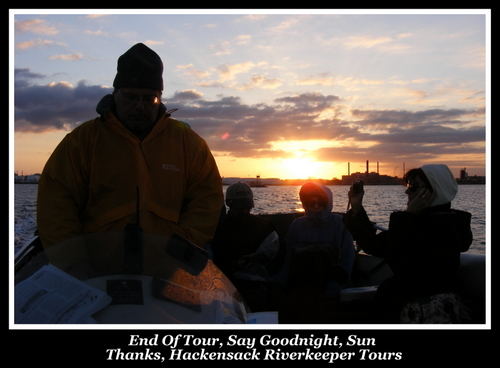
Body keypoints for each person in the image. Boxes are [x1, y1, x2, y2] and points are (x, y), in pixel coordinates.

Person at [37, 43, 223, 250]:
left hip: (167, 266)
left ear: (160, 97)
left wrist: (179, 250)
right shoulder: (82, 142)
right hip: (97, 268)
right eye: (131, 97)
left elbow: (206, 201)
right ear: (116, 93)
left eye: (149, 98)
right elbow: (56, 204)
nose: (140, 106)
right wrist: (75, 263)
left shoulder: (189, 144)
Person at [343, 164, 473, 323]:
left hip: (411, 311)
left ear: (433, 191)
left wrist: (407, 216)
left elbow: (401, 262)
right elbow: (375, 246)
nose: (407, 191)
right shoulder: (418, 222)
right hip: (399, 307)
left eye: (413, 186)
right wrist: (357, 207)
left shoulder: (445, 228)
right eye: (408, 185)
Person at [274, 183, 355, 301]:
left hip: (333, 287)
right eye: (311, 202)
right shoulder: (296, 225)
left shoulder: (340, 224)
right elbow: (288, 260)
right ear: (305, 203)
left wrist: (331, 292)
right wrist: (278, 281)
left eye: (321, 202)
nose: (316, 206)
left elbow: (347, 260)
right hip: (303, 285)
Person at [210, 182, 280, 312]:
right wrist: (235, 266)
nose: (245, 211)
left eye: (247, 208)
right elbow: (215, 261)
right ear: (229, 204)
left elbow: (279, 257)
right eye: (240, 208)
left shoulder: (266, 226)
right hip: (229, 283)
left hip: (259, 284)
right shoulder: (219, 229)